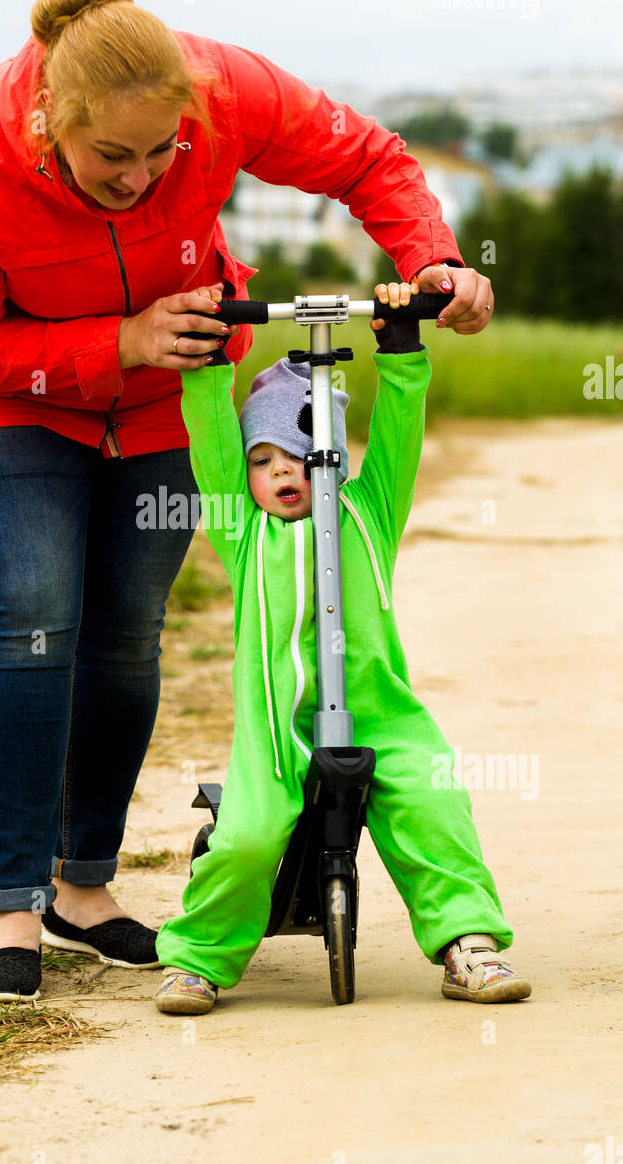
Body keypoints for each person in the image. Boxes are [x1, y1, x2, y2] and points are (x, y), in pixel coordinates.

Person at [0, 0, 494, 1003]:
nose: (138, 178)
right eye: (109, 158)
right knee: (34, 610)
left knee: (126, 627)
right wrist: (115, 339)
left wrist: (430, 261)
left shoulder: (221, 90)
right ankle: (10, 910)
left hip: (172, 391)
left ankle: (82, 892)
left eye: (159, 153)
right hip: (5, 396)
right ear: (48, 120)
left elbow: (364, 158)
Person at [154, 282, 532, 1014]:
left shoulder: (368, 515)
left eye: (299, 456)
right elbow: (209, 441)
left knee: (434, 800)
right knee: (248, 839)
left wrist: (399, 349)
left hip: (381, 716)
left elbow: (399, 433)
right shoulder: (243, 531)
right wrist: (204, 363)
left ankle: (469, 946)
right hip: (275, 733)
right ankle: (197, 958)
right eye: (262, 460)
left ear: (331, 460)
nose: (282, 473)